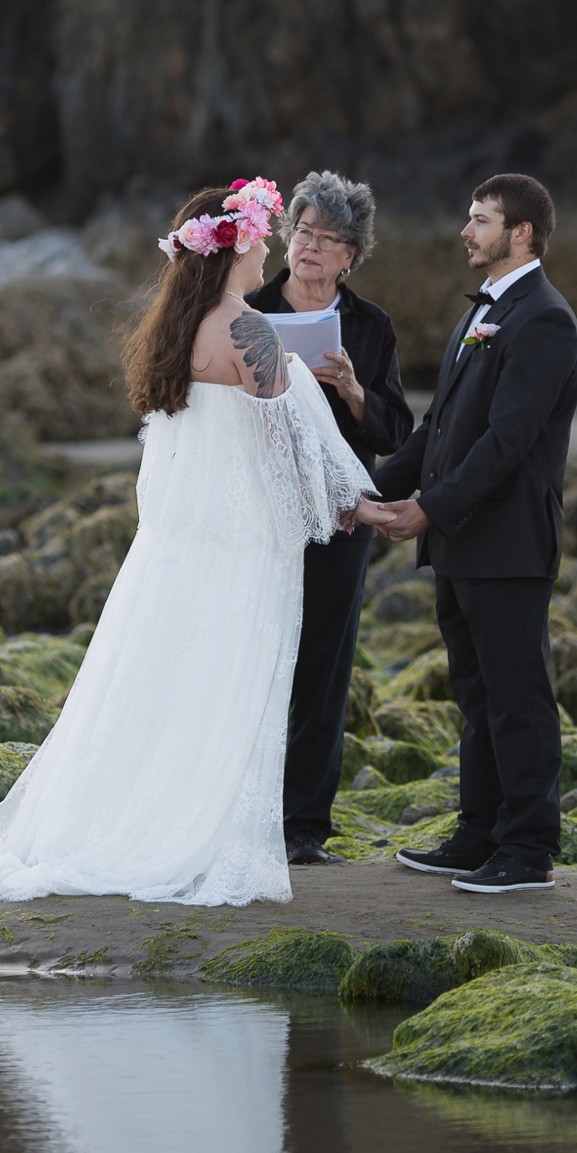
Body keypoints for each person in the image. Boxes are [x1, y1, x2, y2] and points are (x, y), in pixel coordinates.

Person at [0, 179, 390, 904]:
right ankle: (192, 829)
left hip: (179, 545)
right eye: (261, 236)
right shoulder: (249, 330)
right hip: (240, 549)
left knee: (166, 681)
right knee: (226, 687)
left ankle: (131, 815)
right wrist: (366, 508)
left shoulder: (178, 326)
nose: (271, 248)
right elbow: (292, 451)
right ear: (234, 248)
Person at [374, 174, 577, 894]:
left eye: (480, 219)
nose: (466, 232)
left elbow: (507, 442)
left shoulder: (545, 319)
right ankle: (478, 831)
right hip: (462, 542)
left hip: (510, 543)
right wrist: (368, 490)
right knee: (475, 692)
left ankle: (528, 849)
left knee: (518, 694)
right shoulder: (484, 312)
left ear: (520, 232)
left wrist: (428, 508)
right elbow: (439, 430)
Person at [244, 170, 412, 865]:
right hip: (258, 511)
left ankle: (304, 826)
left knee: (323, 667)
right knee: (255, 661)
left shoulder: (370, 326)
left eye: (328, 239)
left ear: (351, 254)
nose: (310, 247)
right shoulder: (248, 309)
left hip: (341, 518)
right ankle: (243, 813)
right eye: (303, 232)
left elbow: (396, 430)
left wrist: (350, 388)